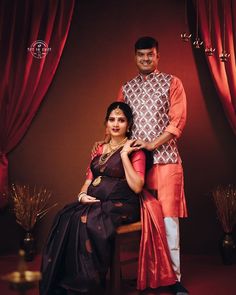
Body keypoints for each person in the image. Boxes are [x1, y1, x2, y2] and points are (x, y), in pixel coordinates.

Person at [39, 102, 177, 295]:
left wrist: (124, 155)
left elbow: (137, 186)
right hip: (96, 201)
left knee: (90, 220)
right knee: (65, 216)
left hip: (123, 205)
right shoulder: (99, 149)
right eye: (112, 119)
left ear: (128, 125)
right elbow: (89, 180)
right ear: (106, 123)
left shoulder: (135, 149)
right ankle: (62, 282)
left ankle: (86, 285)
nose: (116, 124)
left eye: (121, 120)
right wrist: (81, 196)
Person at [116, 36, 188, 294]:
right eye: (140, 55)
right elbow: (119, 123)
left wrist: (152, 144)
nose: (145, 58)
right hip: (137, 165)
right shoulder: (126, 88)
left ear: (158, 56)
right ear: (135, 57)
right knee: (141, 219)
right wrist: (105, 145)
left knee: (168, 221)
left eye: (150, 54)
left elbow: (177, 122)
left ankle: (174, 281)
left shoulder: (172, 83)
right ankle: (145, 276)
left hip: (166, 162)